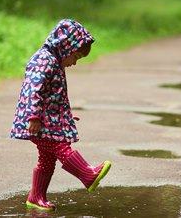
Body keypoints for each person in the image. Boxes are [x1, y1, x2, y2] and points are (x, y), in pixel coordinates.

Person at [10, 19, 111, 212]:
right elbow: (33, 90)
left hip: (47, 121)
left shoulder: (55, 62)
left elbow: (53, 96)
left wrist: (65, 116)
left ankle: (36, 197)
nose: (73, 62)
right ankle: (87, 174)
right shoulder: (43, 61)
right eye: (75, 56)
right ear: (65, 46)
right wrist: (33, 116)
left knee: (47, 160)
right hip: (38, 122)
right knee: (61, 147)